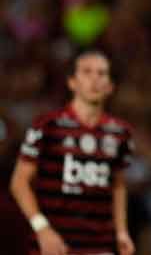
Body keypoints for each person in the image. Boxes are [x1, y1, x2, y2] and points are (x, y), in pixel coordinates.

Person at [9, 50, 135, 255]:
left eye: (102, 73)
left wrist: (121, 231)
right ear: (72, 82)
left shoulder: (121, 133)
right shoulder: (47, 126)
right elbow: (19, 182)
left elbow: (118, 185)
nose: (95, 79)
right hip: (54, 245)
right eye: (87, 72)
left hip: (99, 246)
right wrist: (42, 228)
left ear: (110, 86)